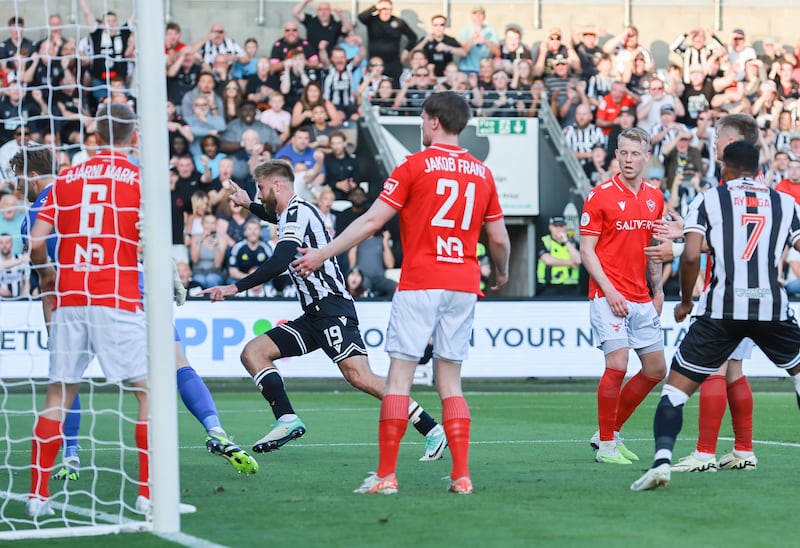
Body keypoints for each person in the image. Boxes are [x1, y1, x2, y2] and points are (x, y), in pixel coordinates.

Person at [293, 91, 511, 495]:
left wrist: (324, 252)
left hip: (422, 280)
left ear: (431, 121)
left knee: (398, 380)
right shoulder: (482, 172)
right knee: (451, 382)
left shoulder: (414, 165)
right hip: (463, 282)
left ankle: (386, 476)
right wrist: (501, 272)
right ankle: (462, 476)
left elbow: (373, 220)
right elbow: (498, 237)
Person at [201, 169, 449, 461]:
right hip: (313, 314)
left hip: (332, 308)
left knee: (360, 377)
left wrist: (235, 287)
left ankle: (431, 428)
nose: (258, 194)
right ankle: (287, 419)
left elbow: (281, 259)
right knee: (253, 353)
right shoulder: (290, 213)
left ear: (277, 185)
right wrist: (249, 205)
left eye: (260, 188)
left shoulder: (297, 212)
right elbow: (275, 218)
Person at [631, 140, 800, 491]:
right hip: (771, 308)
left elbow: (691, 255)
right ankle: (740, 449)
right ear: (758, 168)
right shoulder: (786, 202)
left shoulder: (710, 199)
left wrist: (685, 302)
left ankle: (662, 460)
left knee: (675, 392)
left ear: (724, 167)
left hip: (721, 309)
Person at [24, 104, 146, 517]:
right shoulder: (139, 178)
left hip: (70, 298)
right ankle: (148, 492)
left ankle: (37, 496)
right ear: (132, 137)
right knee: (148, 392)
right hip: (118, 295)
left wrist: (50, 278)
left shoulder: (65, 179)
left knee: (59, 393)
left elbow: (36, 244)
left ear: (94, 136)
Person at [645, 113, 762, 473]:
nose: (712, 148)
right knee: (733, 372)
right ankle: (743, 450)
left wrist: (681, 248)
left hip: (729, 293)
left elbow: (725, 243)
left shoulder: (726, 191)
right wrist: (687, 232)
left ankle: (704, 454)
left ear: (731, 144)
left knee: (713, 369)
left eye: (717, 142)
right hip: (755, 293)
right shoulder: (761, 189)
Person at [579, 126, 667, 465]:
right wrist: (610, 291)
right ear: (616, 155)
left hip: (642, 297)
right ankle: (606, 447)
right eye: (623, 153)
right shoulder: (599, 195)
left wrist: (657, 290)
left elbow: (654, 250)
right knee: (617, 364)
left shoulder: (655, 197)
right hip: (607, 295)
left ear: (646, 157)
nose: (629, 160)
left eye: (635, 154)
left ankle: (610, 431)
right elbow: (587, 252)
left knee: (656, 370)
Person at [357, 0, 417, 85]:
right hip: (375, 63)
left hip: (393, 62)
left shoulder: (398, 22)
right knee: (374, 88)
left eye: (388, 9)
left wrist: (407, 50)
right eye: (383, 9)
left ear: (392, 9)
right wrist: (375, 7)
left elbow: (413, 37)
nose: (385, 11)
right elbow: (361, 17)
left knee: (395, 86)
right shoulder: (372, 20)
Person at [537, 216, 580, 294]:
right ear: (550, 227)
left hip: (571, 288)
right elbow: (548, 260)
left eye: (561, 226)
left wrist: (566, 242)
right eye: (556, 226)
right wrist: (570, 263)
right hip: (549, 288)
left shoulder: (573, 243)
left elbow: (578, 260)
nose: (559, 229)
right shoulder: (544, 241)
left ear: (566, 227)